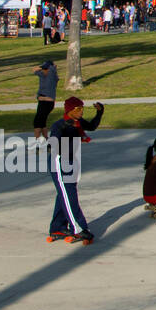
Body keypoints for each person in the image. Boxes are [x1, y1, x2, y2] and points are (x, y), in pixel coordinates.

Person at [47, 97, 105, 244]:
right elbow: (53, 143)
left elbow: (91, 126)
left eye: (82, 108)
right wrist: (62, 130)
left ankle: (57, 227)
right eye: (78, 109)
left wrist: (99, 113)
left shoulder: (78, 123)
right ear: (69, 110)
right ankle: (78, 229)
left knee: (65, 193)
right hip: (59, 161)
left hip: (71, 161)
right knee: (69, 194)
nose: (81, 111)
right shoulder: (59, 124)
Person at [33, 59, 58, 142]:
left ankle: (37, 142)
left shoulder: (53, 76)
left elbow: (53, 69)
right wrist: (42, 68)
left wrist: (52, 67)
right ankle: (46, 140)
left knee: (37, 122)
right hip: (42, 102)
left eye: (46, 69)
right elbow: (34, 70)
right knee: (42, 121)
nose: (44, 70)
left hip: (48, 103)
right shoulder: (42, 75)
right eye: (44, 69)